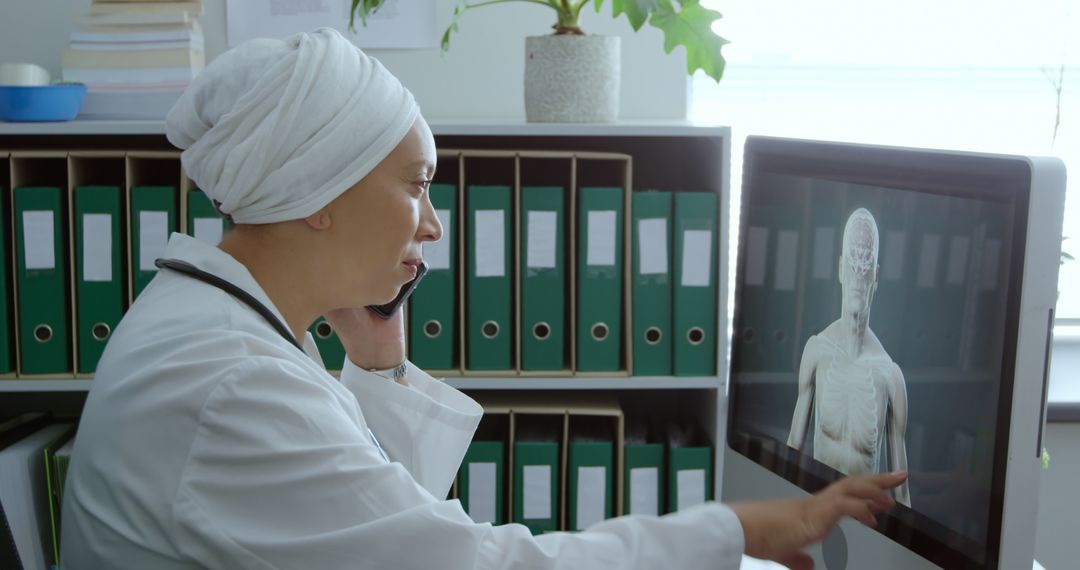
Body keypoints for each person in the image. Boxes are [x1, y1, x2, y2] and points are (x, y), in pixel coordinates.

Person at [60, 28, 906, 570]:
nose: (432, 225)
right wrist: (737, 528)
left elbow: (379, 523)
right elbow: (475, 566)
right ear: (320, 194)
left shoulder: (217, 329)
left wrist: (380, 364)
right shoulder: (232, 387)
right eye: (417, 186)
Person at [787, 208, 911, 506]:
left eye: (865, 265)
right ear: (841, 268)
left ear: (876, 276)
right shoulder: (817, 350)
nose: (858, 276)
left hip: (863, 529)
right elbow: (792, 450)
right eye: (852, 263)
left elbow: (901, 491)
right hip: (814, 517)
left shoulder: (889, 377)